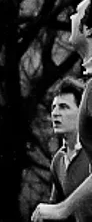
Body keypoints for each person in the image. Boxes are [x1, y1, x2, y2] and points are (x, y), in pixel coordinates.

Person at [35, 0, 92, 221]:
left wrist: (61, 209)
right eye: (53, 107)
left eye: (77, 12)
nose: (71, 16)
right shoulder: (57, 162)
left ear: (89, 29)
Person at [48, 77, 91, 222]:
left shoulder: (90, 153)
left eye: (64, 107)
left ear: (81, 113)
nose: (55, 113)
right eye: (54, 107)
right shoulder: (58, 161)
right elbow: (55, 210)